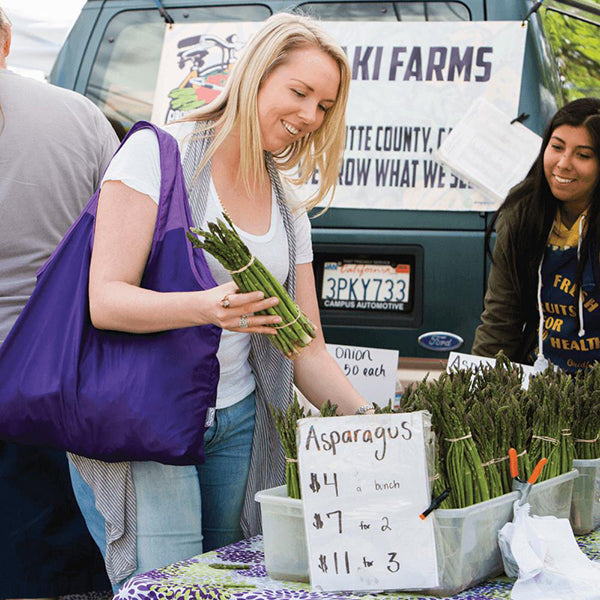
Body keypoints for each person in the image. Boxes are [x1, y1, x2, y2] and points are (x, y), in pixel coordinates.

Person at [67, 11, 372, 590]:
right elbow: (104, 302)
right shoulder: (159, 156)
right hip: (152, 413)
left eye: (325, 106)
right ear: (256, 76)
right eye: (300, 92)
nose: (310, 116)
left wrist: (375, 423)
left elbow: (304, 345)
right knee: (171, 586)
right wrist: (205, 307)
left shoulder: (287, 204)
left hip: (239, 417)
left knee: (233, 580)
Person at [0, 5, 119, 599]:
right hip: (59, 374)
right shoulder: (80, 117)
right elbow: (126, 244)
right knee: (57, 549)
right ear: (5, 39)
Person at [472, 97, 600, 373]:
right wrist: (475, 393)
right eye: (556, 147)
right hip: (537, 381)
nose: (563, 164)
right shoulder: (521, 215)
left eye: (583, 155)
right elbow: (500, 320)